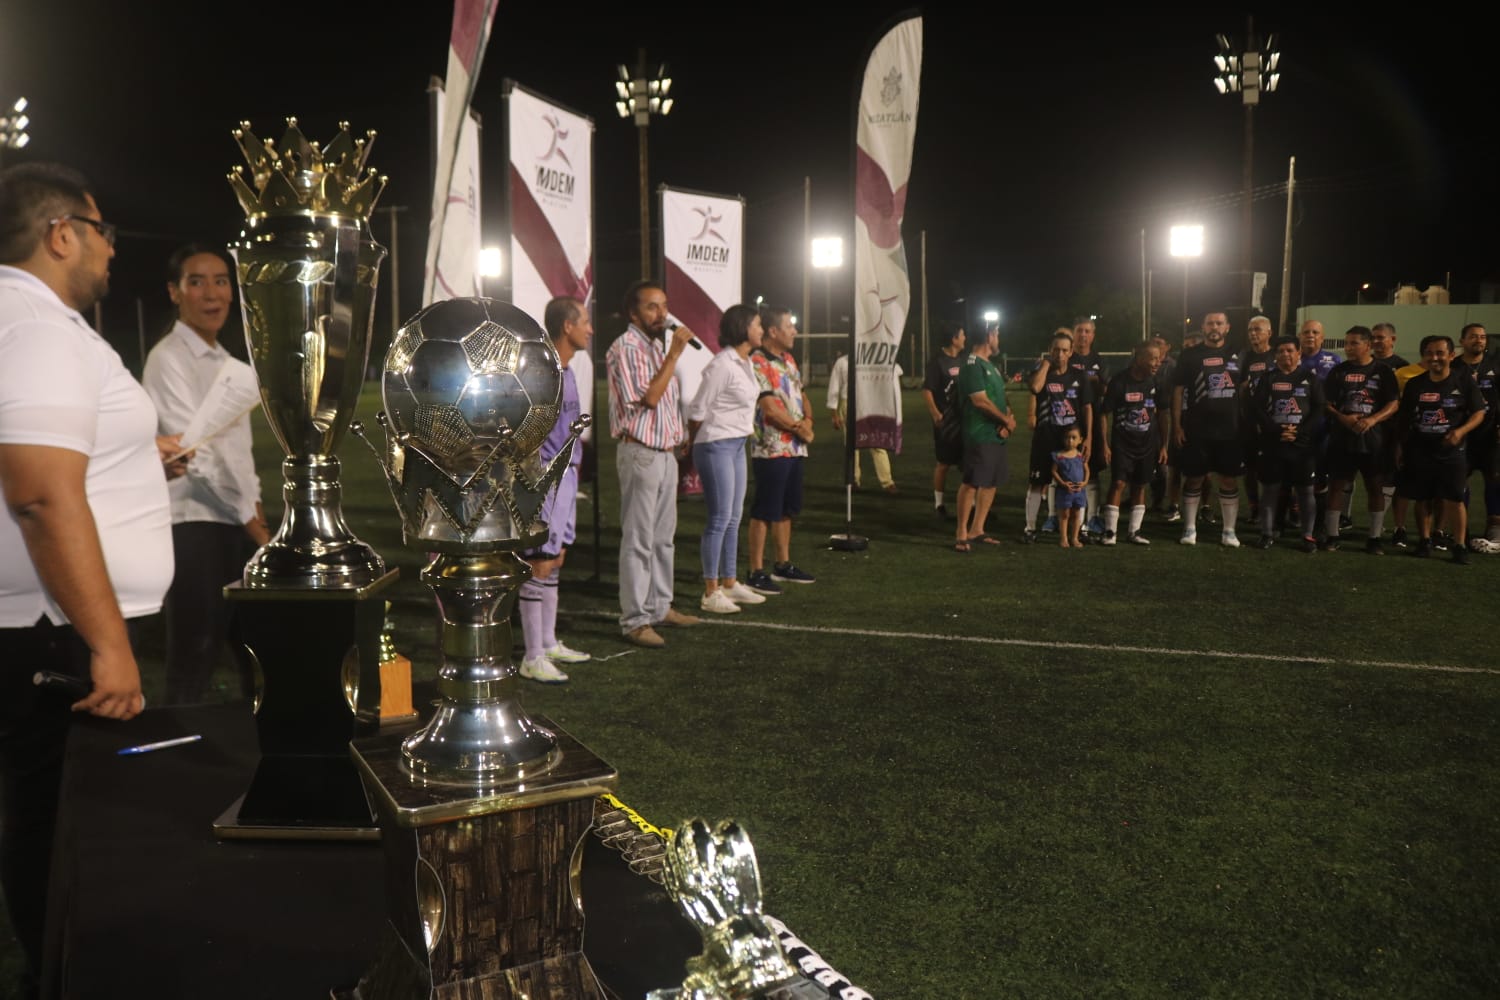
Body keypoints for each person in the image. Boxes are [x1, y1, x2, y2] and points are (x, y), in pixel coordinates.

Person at [0, 162, 177, 997]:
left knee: (62, 827)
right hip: (59, 630)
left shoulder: (36, 322)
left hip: (57, 619)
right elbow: (37, 491)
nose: (112, 250)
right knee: (64, 833)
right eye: (102, 231)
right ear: (60, 233)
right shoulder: (34, 325)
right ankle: (66, 978)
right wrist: (107, 643)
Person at [141, 244, 269, 704]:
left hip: (236, 523)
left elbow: (239, 456)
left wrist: (255, 513)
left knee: (256, 652)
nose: (211, 293)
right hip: (194, 523)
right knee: (194, 652)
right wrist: (256, 528)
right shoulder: (168, 358)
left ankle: (259, 757)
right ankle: (176, 764)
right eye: (196, 281)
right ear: (174, 293)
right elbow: (196, 457)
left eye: (221, 281)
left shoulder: (227, 362)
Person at [605, 279, 703, 648]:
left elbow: (666, 403)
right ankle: (634, 620)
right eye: (652, 307)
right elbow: (648, 399)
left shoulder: (655, 347)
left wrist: (679, 433)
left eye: (664, 305)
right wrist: (674, 356)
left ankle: (660, 605)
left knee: (663, 539)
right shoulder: (625, 347)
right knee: (639, 540)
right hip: (641, 452)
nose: (661, 313)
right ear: (633, 313)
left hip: (665, 454)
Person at [516, 296, 596, 683]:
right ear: (567, 326)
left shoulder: (568, 370)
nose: (590, 328)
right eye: (585, 322)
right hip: (546, 476)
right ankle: (531, 656)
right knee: (539, 560)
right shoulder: (543, 372)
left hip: (568, 475)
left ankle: (547, 642)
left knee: (557, 556)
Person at [686, 304, 767, 614]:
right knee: (719, 518)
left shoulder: (745, 362)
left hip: (736, 444)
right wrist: (693, 441)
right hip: (715, 443)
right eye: (758, 324)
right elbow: (698, 408)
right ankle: (710, 591)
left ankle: (730, 583)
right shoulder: (722, 364)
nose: (761, 329)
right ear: (743, 327)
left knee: (734, 517)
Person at [1394, 335, 1486, 564]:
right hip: (1420, 450)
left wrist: (1460, 431)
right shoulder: (1415, 384)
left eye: (1439, 353)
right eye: (1429, 353)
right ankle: (1424, 542)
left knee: (1455, 499)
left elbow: (1479, 412)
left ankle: (1459, 545)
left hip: (1452, 453)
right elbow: (1404, 419)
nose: (1434, 358)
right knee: (1422, 498)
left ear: (1451, 355)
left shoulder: (1463, 382)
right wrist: (1400, 448)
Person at [746, 306, 816, 593]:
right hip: (771, 448)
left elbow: (802, 395)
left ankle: (782, 564)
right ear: (773, 331)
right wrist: (800, 428)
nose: (794, 331)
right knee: (765, 510)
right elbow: (768, 408)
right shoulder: (757, 361)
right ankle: (755, 570)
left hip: (795, 448)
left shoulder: (788, 360)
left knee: (787, 509)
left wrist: (808, 421)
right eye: (790, 326)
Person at [1321, 326, 1400, 554]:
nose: (1348, 348)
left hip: (1373, 440)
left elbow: (1394, 403)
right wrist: (1342, 418)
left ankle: (1374, 538)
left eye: (1354, 343)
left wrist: (1373, 419)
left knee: (1375, 487)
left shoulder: (1383, 371)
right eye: (1346, 343)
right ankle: (1333, 535)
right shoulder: (1338, 371)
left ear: (1367, 345)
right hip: (1342, 439)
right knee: (1336, 486)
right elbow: (1326, 403)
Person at [1171, 311, 1245, 546]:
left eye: (1219, 323)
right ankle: (1189, 528)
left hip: (1230, 431)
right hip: (1197, 428)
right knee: (1194, 478)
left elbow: (1244, 390)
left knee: (1228, 480)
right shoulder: (1190, 355)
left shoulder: (1239, 354)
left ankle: (1229, 531)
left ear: (1227, 327)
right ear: (1203, 327)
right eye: (1210, 323)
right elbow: (1178, 391)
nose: (1215, 327)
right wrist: (1177, 426)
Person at [1252, 336, 1326, 551]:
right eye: (1281, 351)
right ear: (1275, 355)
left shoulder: (1311, 379)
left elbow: (1319, 408)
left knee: (1305, 491)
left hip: (1302, 446)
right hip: (1274, 444)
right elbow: (1257, 409)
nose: (1285, 354)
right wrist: (1277, 430)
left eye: (1289, 350)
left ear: (1298, 353)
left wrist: (1300, 431)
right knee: (1270, 490)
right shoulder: (1267, 379)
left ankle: (1308, 535)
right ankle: (1266, 534)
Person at [1023, 329, 1091, 542]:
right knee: (1037, 482)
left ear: (1071, 352)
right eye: (1055, 350)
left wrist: (1088, 437)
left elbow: (1087, 407)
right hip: (1045, 437)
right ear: (1050, 351)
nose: (1059, 355)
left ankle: (1077, 531)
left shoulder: (1079, 376)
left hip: (1070, 440)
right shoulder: (1042, 372)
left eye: (1064, 350)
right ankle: (1030, 528)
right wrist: (1044, 365)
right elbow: (1034, 387)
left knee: (1075, 483)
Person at [952, 324, 1015, 552]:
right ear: (989, 336)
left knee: (990, 483)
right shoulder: (971, 364)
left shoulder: (993, 366)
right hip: (979, 433)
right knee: (972, 481)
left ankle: (977, 529)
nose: (999, 338)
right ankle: (961, 532)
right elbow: (979, 401)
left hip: (996, 434)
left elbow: (1001, 398)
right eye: (997, 334)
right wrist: (1004, 421)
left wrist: (1009, 419)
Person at [1098, 340, 1167, 545]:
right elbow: (1104, 414)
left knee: (1140, 485)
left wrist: (1163, 444)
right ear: (1139, 358)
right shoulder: (1119, 381)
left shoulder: (1156, 382)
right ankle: (1110, 533)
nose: (1157, 363)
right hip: (1123, 443)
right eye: (1153, 358)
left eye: (1159, 359)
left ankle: (1134, 532)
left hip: (1147, 444)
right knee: (1118, 483)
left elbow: (1163, 414)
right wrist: (1104, 444)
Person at [1451, 323, 1500, 551]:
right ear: (1462, 341)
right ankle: (1462, 529)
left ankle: (1495, 527)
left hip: (1490, 434)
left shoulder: (1495, 365)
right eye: (1473, 337)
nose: (1479, 341)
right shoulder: (1453, 367)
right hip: (1463, 433)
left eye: (1482, 337)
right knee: (1460, 480)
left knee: (1495, 478)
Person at [827, 351, 898, 491]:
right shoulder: (842, 362)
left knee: (877, 442)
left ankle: (887, 481)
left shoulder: (872, 358)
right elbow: (834, 388)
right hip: (849, 404)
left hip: (870, 403)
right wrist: (834, 414)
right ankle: (853, 480)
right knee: (852, 445)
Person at [922, 322, 966, 519]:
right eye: (962, 335)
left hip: (964, 421)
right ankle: (939, 504)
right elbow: (927, 390)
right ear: (954, 339)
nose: (965, 338)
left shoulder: (964, 360)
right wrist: (935, 413)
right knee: (944, 463)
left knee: (968, 463)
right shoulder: (937, 362)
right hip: (946, 423)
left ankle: (971, 503)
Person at [1070, 316, 1109, 536]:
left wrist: (1093, 381)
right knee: (1066, 468)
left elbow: (1105, 390)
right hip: (1068, 421)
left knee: (1092, 470)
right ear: (1073, 333)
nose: (1083, 334)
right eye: (1079, 330)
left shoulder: (1099, 360)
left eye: (1087, 331)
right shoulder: (1067, 356)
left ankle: (1093, 517)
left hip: (1092, 420)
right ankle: (1061, 516)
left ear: (1093, 335)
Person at [1237, 315, 1275, 523]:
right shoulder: (1244, 357)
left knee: (1275, 467)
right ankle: (1255, 507)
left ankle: (1282, 508)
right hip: (1250, 422)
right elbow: (1238, 387)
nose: (1253, 333)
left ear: (1269, 332)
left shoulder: (1277, 356)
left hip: (1274, 421)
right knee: (1250, 468)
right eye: (1250, 330)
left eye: (1258, 329)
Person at [1051, 426, 1088, 548]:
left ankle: (1075, 538)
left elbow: (1087, 470)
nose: (1070, 441)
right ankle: (1063, 538)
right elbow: (1054, 471)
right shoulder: (1060, 456)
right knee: (1065, 514)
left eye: (1073, 438)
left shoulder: (1080, 456)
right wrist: (1062, 483)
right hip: (1065, 491)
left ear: (1080, 440)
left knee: (1076, 514)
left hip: (1079, 490)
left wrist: (1084, 482)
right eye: (1067, 438)